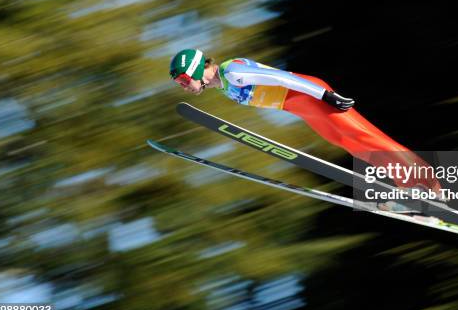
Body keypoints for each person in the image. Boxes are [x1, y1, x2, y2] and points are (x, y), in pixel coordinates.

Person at [169, 49, 441, 200]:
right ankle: (407, 188)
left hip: (312, 97)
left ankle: (429, 181)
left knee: (365, 137)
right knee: (353, 146)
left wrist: (326, 96)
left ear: (194, 70)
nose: (184, 87)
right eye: (179, 84)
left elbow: (283, 79)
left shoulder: (232, 71)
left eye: (183, 80)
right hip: (302, 109)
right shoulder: (223, 86)